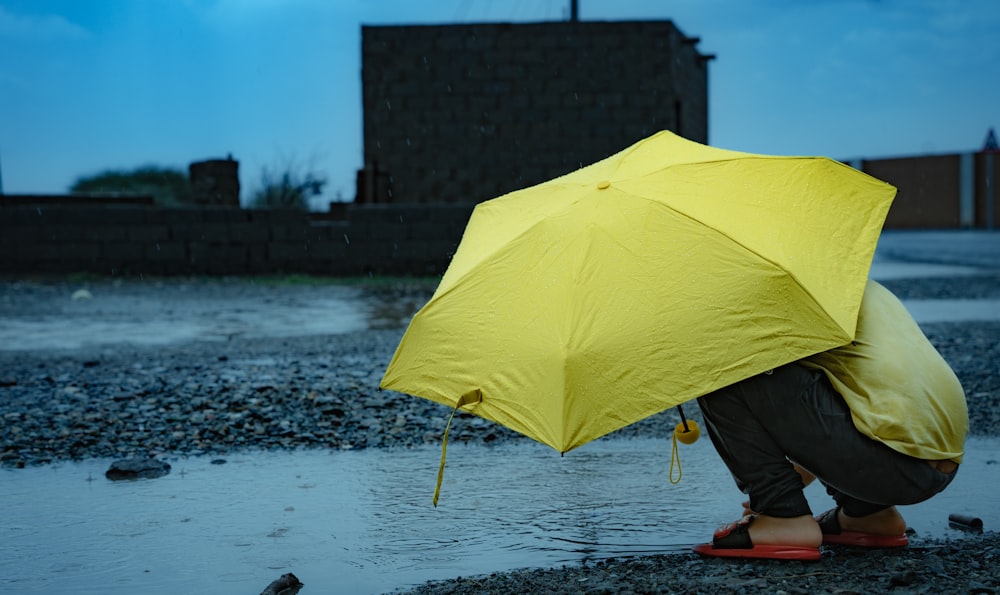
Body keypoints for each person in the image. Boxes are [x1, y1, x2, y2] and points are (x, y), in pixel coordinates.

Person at [692, 279, 968, 560]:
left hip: (892, 464)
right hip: (941, 461)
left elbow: (786, 404)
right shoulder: (855, 284)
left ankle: (783, 519)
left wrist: (776, 495)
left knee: (725, 369)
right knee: (837, 378)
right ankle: (867, 513)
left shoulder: (778, 298)